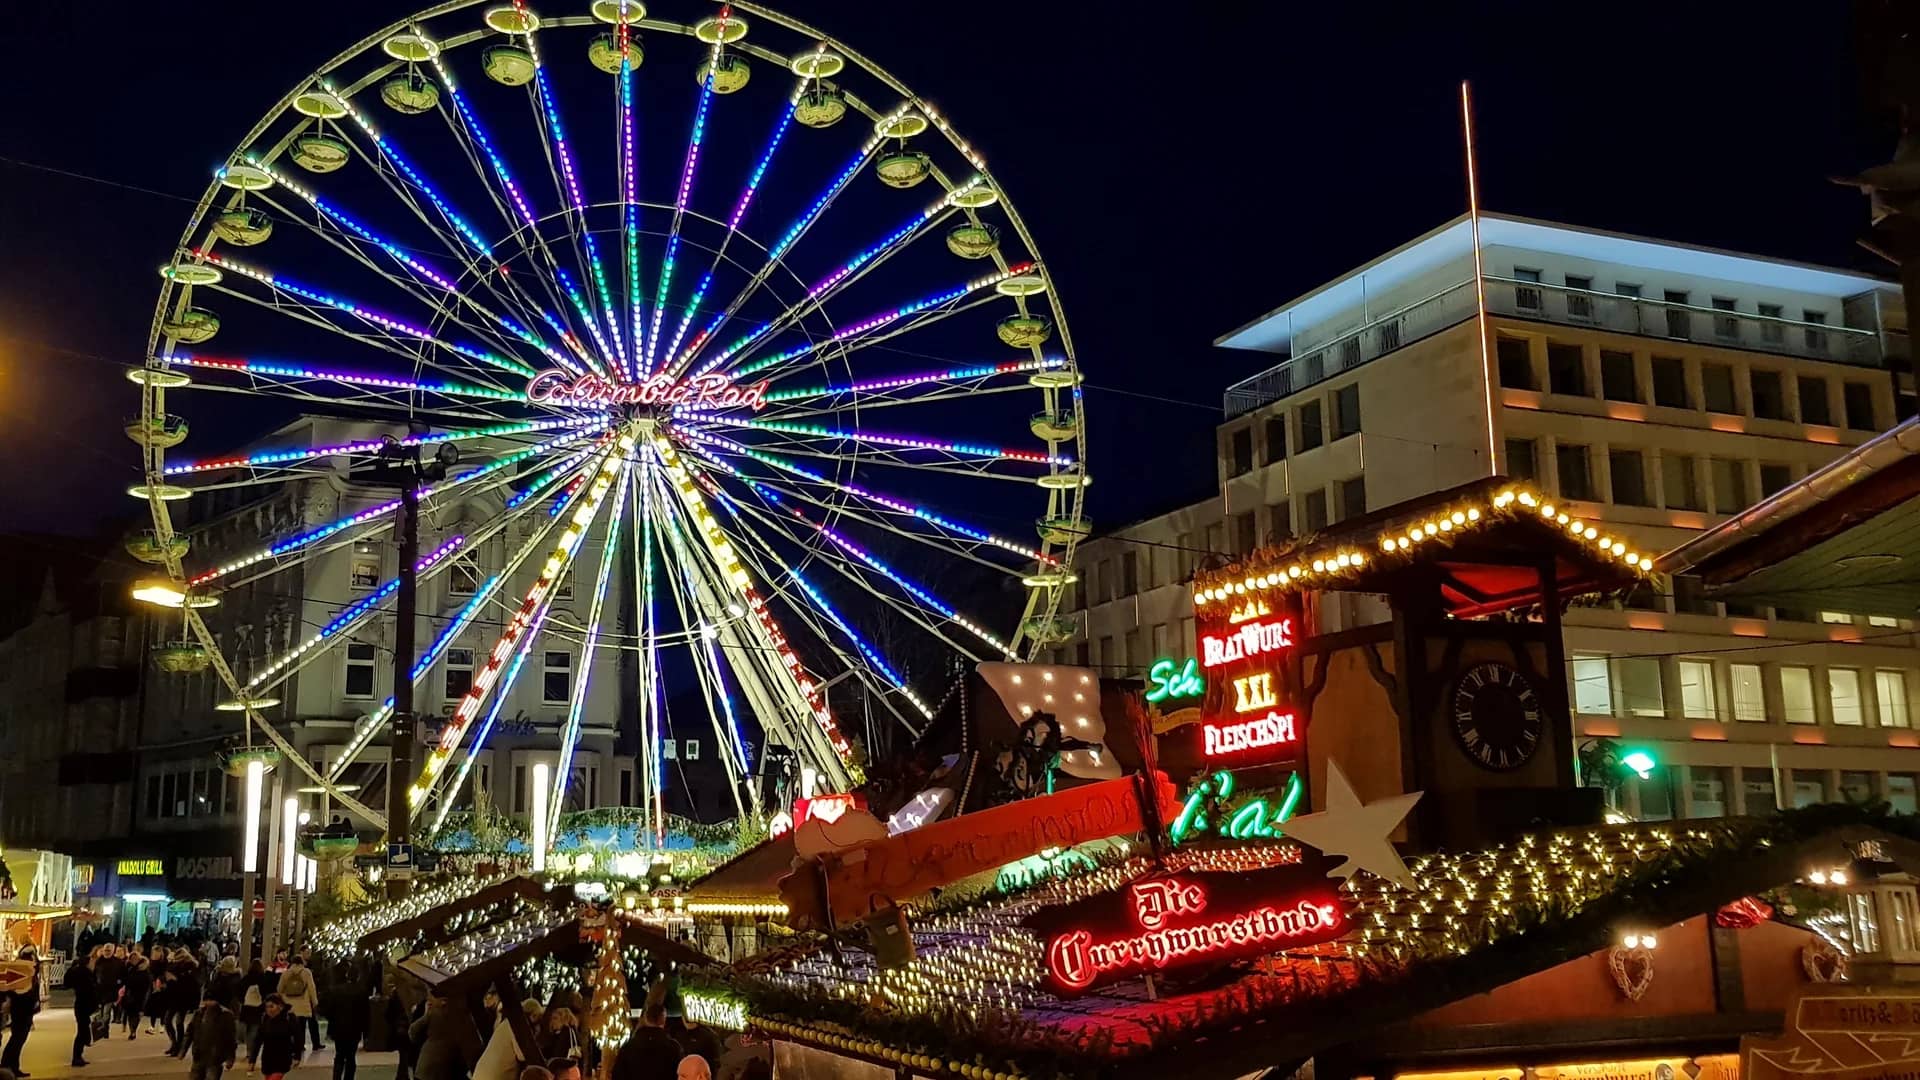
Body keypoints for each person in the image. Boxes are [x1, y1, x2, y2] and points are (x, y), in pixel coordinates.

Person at [318, 963, 370, 1080]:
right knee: (351, 1056)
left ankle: (336, 1077)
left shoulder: (336, 991)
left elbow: (327, 1009)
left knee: (339, 1055)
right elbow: (365, 1014)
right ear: (358, 976)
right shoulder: (361, 992)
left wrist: (332, 1020)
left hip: (339, 1028)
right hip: (355, 1029)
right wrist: (366, 1032)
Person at [611, 998, 682, 1080]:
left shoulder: (628, 1048)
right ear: (663, 1020)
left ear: (645, 1019)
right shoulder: (673, 1048)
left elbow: (617, 1075)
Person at [1, 946, 40, 1078]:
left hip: (26, 1009)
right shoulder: (20, 971)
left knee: (19, 1039)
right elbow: (12, 989)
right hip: (21, 1009)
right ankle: (6, 1065)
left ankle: (13, 1067)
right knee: (17, 1039)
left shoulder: (29, 971)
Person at [411, 991, 468, 1080]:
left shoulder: (434, 1014)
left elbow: (413, 1032)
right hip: (449, 1068)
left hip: (428, 1067)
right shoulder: (462, 1016)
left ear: (443, 1001)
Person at [187, 987, 239, 1080]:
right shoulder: (199, 1013)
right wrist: (184, 1049)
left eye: (211, 1000)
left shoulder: (226, 1015)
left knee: (211, 1076)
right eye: (206, 1000)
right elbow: (190, 1031)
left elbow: (230, 1038)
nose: (208, 1003)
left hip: (215, 1057)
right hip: (199, 1055)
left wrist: (230, 1057)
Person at [277, 958, 321, 1056]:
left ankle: (291, 1047)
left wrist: (280, 1002)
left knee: (290, 1029)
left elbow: (279, 989)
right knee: (300, 1028)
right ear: (302, 963)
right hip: (302, 1004)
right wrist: (315, 1003)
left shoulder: (286, 973)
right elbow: (311, 988)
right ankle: (299, 1047)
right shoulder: (306, 973)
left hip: (289, 1006)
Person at [65, 944, 97, 1067]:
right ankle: (76, 1057)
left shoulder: (78, 972)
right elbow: (90, 991)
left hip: (81, 1005)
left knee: (83, 1030)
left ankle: (78, 1055)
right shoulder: (85, 975)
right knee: (82, 1031)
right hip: (84, 1005)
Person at [168, 953, 204, 1058]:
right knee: (169, 1021)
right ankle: (175, 1044)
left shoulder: (191, 970)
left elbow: (191, 985)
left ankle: (178, 1045)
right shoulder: (179, 968)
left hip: (183, 999)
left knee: (178, 1022)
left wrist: (175, 979)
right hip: (177, 998)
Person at [254, 995, 297, 1080]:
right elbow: (258, 1040)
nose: (269, 1010)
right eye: (267, 1007)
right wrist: (252, 1060)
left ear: (280, 1006)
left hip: (282, 1059)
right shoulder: (265, 1019)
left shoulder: (289, 1018)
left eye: (271, 1006)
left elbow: (297, 1036)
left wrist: (297, 1055)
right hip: (268, 1059)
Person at [238, 960, 267, 1066]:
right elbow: (266, 993)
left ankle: (248, 1051)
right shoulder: (263, 979)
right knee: (254, 1031)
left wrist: (243, 1001)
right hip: (258, 1009)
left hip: (246, 1008)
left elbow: (239, 992)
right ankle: (251, 1052)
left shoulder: (246, 978)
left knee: (246, 1029)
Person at [121, 955, 151, 1039]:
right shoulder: (129, 968)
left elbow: (147, 981)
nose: (133, 960)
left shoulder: (144, 968)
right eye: (131, 959)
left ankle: (133, 1030)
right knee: (130, 1013)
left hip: (140, 993)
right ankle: (132, 1030)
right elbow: (125, 979)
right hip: (129, 993)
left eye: (135, 958)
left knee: (136, 1013)